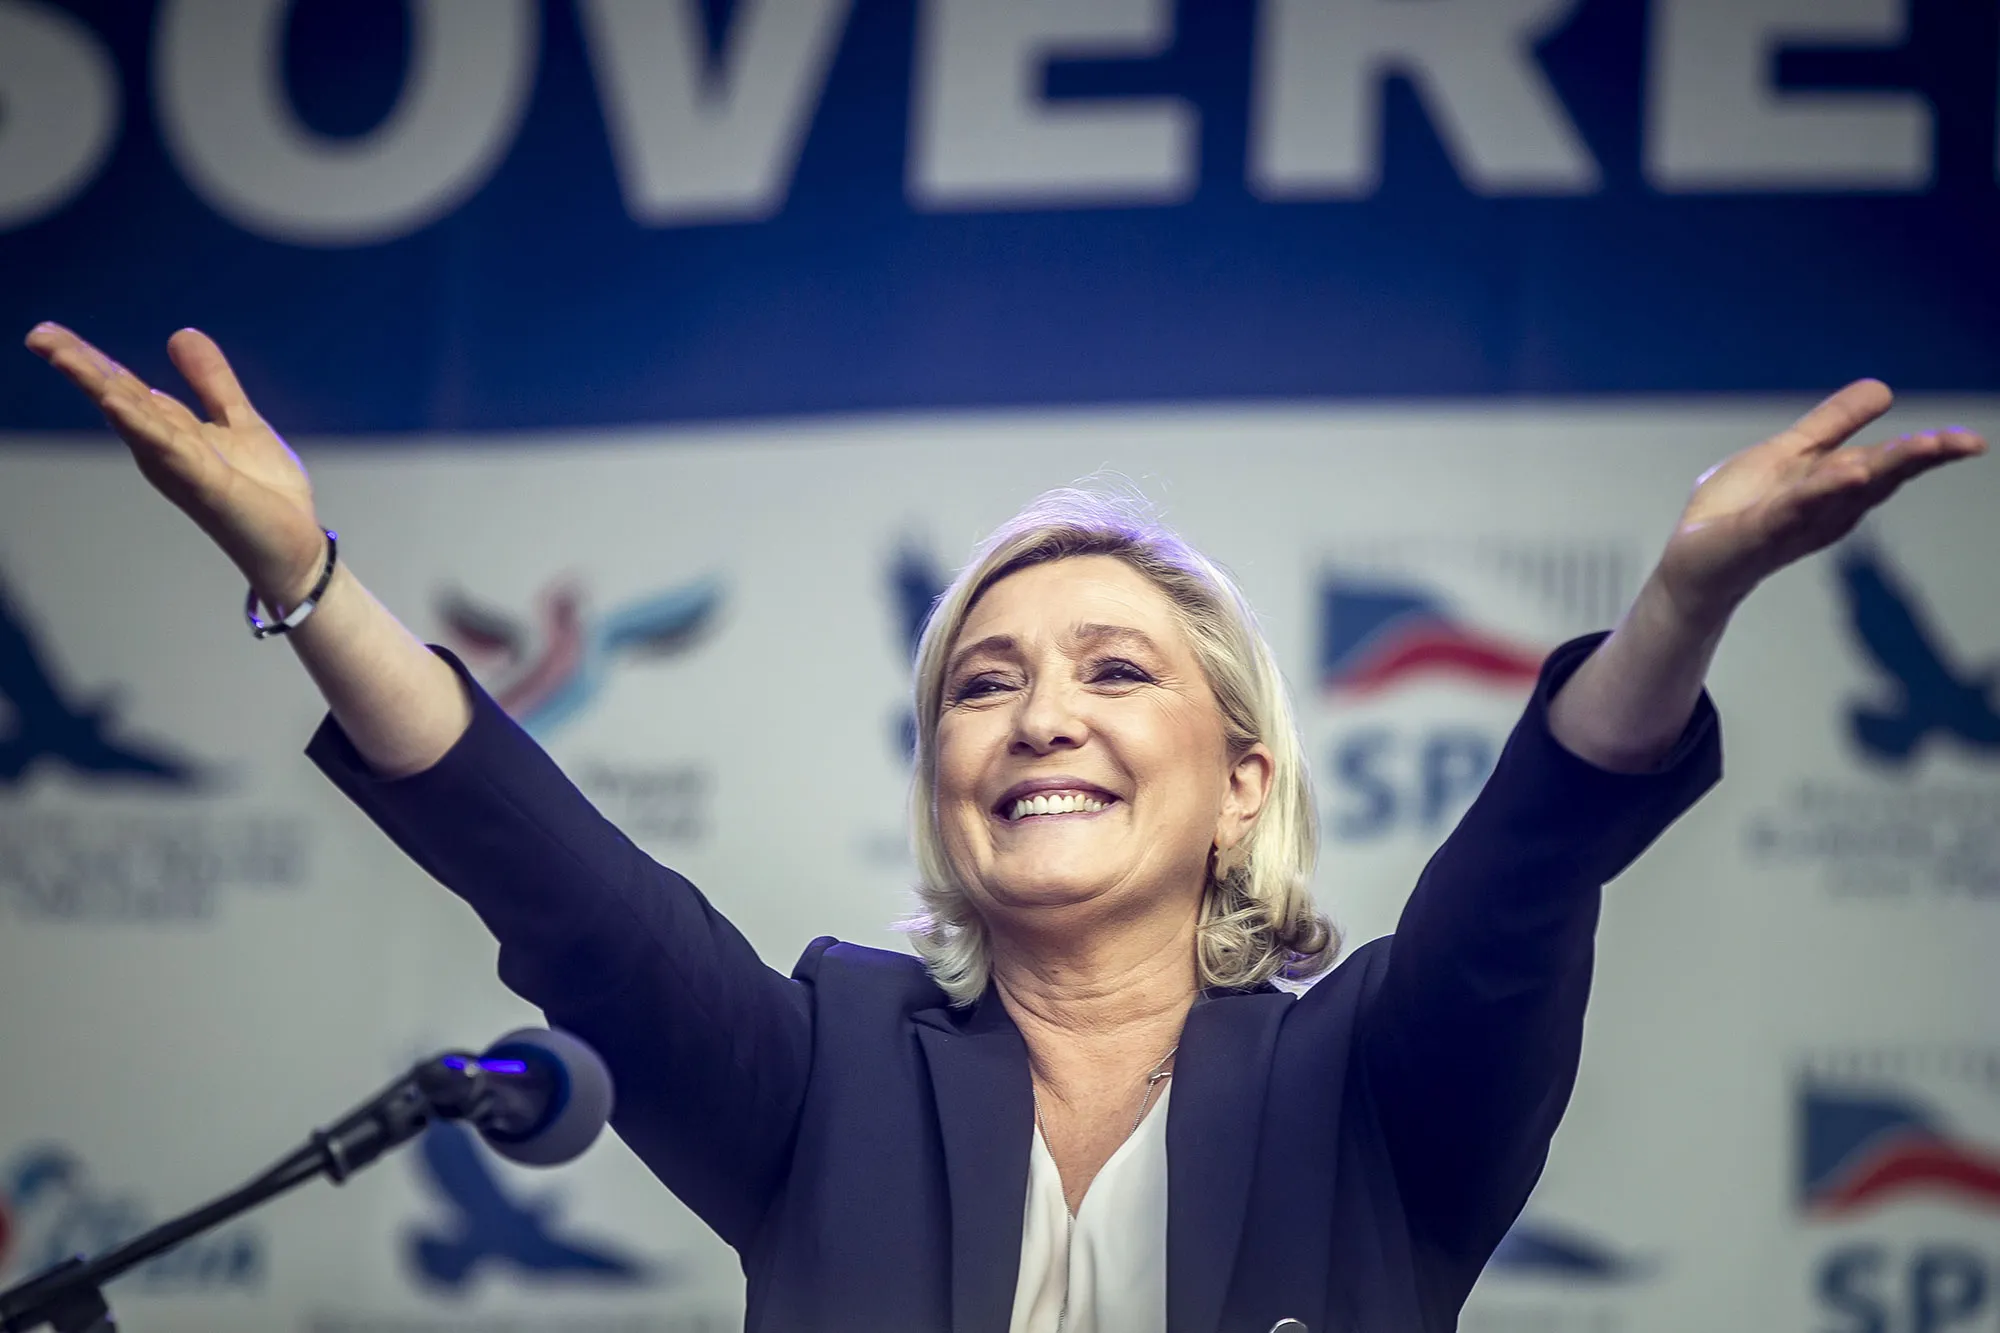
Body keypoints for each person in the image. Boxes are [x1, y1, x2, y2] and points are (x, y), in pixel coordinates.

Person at [23, 322, 1986, 1333]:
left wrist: (1683, 600)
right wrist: (310, 583)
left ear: (1243, 783)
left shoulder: (1379, 1087)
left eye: (1116, 671)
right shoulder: (830, 1069)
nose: (1040, 714)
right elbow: (576, 901)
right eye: (983, 682)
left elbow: (1525, 871)